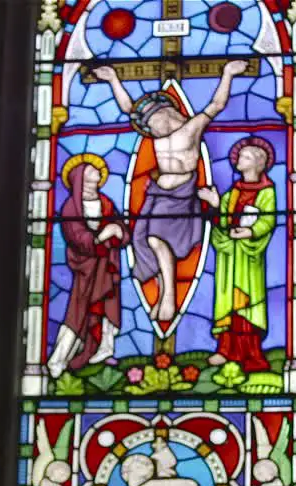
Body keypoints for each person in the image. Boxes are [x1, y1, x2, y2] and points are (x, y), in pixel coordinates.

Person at [93, 60, 249, 322]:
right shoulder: (157, 135)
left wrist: (228, 73)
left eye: (153, 121)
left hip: (179, 195)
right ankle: (165, 292)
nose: (151, 127)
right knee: (143, 238)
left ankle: (169, 300)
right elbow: (131, 109)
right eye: (149, 124)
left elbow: (216, 105)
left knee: (155, 239)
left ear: (166, 113)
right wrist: (112, 80)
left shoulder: (191, 128)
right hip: (156, 194)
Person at [46, 154, 130, 379]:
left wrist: (119, 232)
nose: (98, 171)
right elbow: (77, 237)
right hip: (86, 266)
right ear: (80, 177)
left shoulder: (105, 202)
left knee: (108, 306)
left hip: (106, 265)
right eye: (91, 170)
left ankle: (105, 348)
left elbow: (121, 228)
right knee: (78, 312)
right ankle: (58, 360)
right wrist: (104, 235)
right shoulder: (71, 207)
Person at [198, 136, 277, 371]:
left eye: (245, 157)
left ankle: (251, 354)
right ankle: (225, 350)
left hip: (248, 257)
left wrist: (250, 232)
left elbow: (269, 219)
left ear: (257, 163)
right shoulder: (234, 191)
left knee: (247, 302)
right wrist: (214, 202)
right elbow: (222, 218)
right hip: (229, 256)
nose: (238, 159)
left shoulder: (266, 191)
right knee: (227, 303)